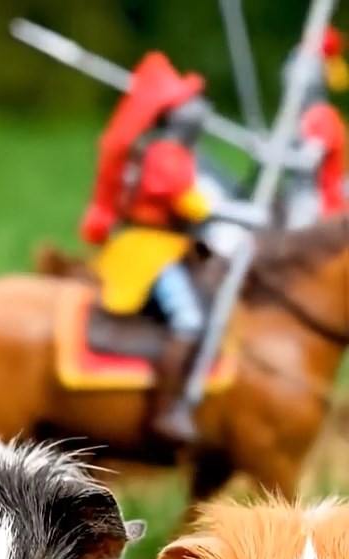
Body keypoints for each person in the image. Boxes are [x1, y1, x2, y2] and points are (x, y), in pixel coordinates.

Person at [80, 52, 265, 445]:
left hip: (173, 244)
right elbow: (189, 203)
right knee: (188, 320)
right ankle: (167, 410)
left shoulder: (176, 153)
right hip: (150, 250)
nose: (203, 109)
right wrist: (242, 213)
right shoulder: (164, 154)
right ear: (177, 113)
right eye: (193, 102)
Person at [275, 26, 349, 228]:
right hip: (299, 196)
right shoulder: (300, 117)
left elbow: (307, 162)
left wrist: (274, 155)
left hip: (319, 209)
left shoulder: (321, 117)